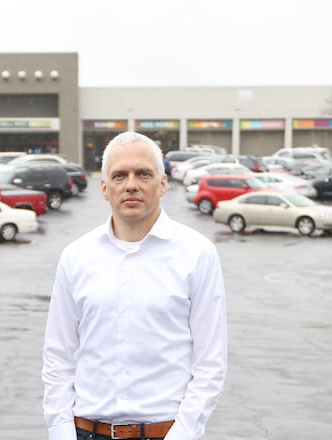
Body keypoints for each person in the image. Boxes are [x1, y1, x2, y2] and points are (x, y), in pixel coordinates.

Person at [42, 131, 227, 440]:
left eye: (143, 174)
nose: (131, 184)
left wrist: (181, 434)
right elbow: (58, 357)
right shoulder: (76, 257)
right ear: (104, 188)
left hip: (165, 432)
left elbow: (210, 363)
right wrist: (61, 432)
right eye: (119, 175)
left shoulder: (197, 254)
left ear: (163, 183)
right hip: (87, 432)